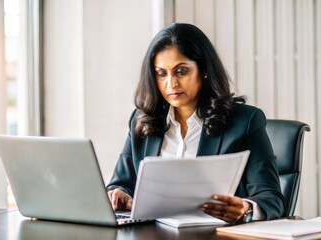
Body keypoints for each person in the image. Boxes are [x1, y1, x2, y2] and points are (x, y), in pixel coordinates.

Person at [106, 23, 284, 224]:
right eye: (161, 73)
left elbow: (271, 198)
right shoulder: (142, 121)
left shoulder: (245, 122)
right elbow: (119, 184)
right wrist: (118, 194)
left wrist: (246, 209)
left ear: (204, 70)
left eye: (181, 71)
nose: (171, 84)